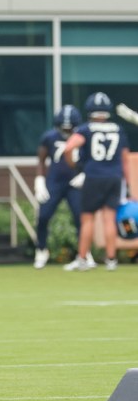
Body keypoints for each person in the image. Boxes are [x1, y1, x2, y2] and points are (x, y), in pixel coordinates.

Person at [63, 92, 131, 271]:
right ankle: (111, 260)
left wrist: (75, 165)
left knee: (87, 219)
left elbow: (69, 147)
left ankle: (82, 258)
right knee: (109, 219)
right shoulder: (118, 129)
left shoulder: (86, 129)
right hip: (114, 177)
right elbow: (124, 158)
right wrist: (128, 183)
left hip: (94, 176)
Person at [33, 105, 96, 270]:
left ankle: (84, 252)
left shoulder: (83, 136)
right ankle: (41, 249)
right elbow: (41, 159)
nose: (66, 131)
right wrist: (39, 180)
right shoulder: (49, 137)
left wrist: (84, 174)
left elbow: (91, 157)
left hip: (75, 180)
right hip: (54, 180)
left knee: (80, 217)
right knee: (43, 215)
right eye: (64, 127)